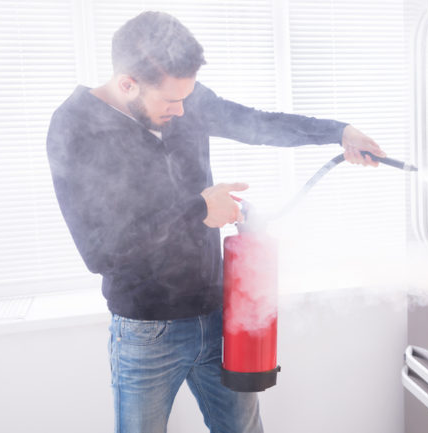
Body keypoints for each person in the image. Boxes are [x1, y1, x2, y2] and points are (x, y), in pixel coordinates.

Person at [46, 11, 386, 433]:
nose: (183, 110)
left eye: (187, 97)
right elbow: (102, 251)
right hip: (147, 333)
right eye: (171, 101)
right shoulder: (74, 127)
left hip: (217, 317)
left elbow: (258, 124)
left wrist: (339, 132)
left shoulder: (182, 98)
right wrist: (199, 211)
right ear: (127, 83)